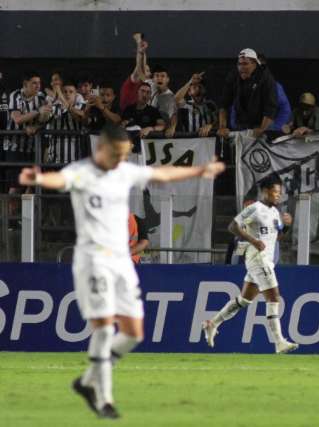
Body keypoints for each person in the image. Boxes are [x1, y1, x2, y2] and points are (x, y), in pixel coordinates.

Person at [18, 125, 225, 419]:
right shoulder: (83, 171)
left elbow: (162, 174)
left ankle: (87, 381)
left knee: (133, 333)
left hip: (122, 262)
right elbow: (59, 178)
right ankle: (104, 400)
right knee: (103, 328)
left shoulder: (124, 172)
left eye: (125, 155)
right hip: (93, 260)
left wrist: (199, 171)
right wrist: (38, 178)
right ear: (101, 148)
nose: (120, 160)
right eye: (117, 153)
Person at [202, 175, 298, 354]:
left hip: (266, 259)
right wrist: (253, 240)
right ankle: (279, 342)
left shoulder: (275, 212)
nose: (278, 195)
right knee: (274, 298)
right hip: (257, 258)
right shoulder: (255, 208)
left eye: (280, 193)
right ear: (265, 191)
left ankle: (212, 323)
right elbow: (232, 226)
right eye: (275, 192)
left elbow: (277, 237)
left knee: (244, 300)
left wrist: (286, 226)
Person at [217, 48, 278, 139]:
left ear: (254, 64)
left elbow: (270, 107)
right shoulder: (233, 76)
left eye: (245, 64)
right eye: (239, 64)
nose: (241, 67)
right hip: (241, 124)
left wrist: (262, 129)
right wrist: (222, 127)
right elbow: (224, 104)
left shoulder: (266, 79)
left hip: (263, 123)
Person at [174, 72, 217, 137]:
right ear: (189, 92)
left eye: (200, 86)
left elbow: (218, 123)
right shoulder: (186, 105)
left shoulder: (210, 104)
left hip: (209, 141)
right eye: (194, 86)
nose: (198, 88)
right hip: (191, 141)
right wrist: (190, 82)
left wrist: (211, 126)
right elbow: (175, 100)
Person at [120, 32, 152, 112]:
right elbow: (140, 67)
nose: (150, 73)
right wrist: (139, 43)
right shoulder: (133, 83)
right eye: (148, 71)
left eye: (149, 71)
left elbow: (142, 65)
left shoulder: (146, 85)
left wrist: (143, 51)